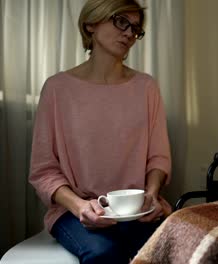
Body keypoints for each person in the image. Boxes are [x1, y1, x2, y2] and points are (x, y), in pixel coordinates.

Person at [29, 0, 172, 263]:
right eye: (121, 22)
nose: (129, 33)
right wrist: (80, 206)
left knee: (175, 246)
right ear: (91, 24)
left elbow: (159, 158)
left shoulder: (146, 87)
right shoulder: (57, 89)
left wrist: (151, 194)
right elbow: (43, 170)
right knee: (104, 253)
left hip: (137, 211)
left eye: (136, 29)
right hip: (74, 212)